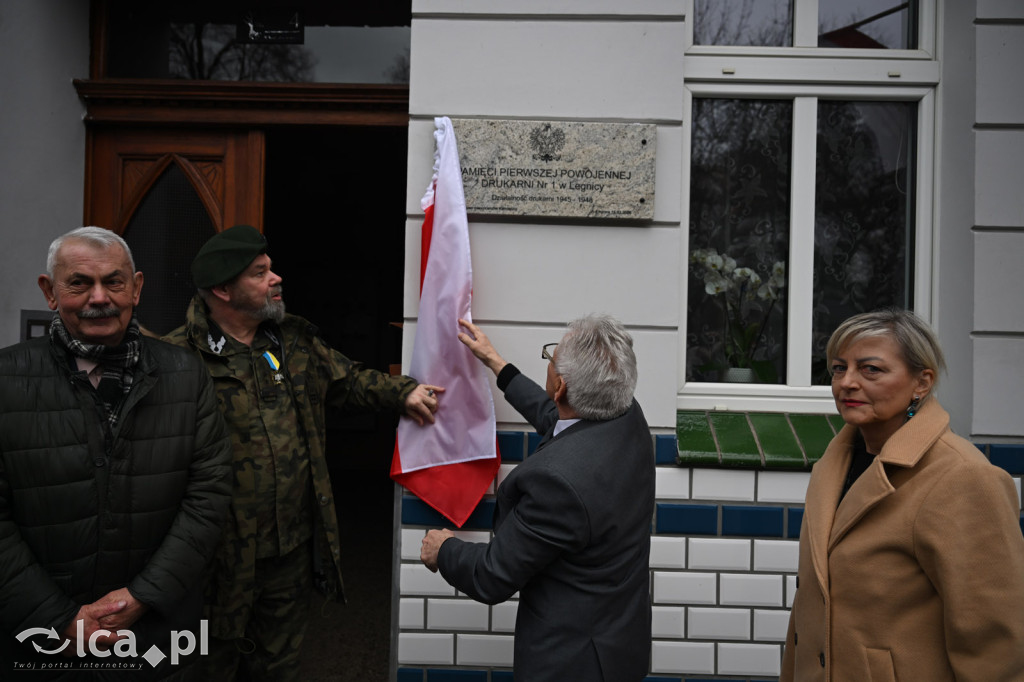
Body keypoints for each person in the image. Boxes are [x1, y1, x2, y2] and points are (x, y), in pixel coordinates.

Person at [163, 224, 442, 680]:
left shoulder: (291, 341)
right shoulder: (176, 357)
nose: (276, 278)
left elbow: (348, 381)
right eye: (259, 273)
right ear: (223, 290)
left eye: (270, 268)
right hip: (215, 558)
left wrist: (402, 392)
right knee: (207, 665)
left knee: (278, 665)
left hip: (288, 549)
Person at [0, 227, 232, 679]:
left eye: (114, 282)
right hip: (38, 637)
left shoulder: (186, 375)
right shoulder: (6, 379)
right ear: (49, 292)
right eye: (79, 283)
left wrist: (141, 596)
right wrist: (58, 618)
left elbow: (209, 495)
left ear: (136, 288)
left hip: (156, 633)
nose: (100, 297)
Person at [781, 308, 1024, 681]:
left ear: (921, 383)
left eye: (871, 369)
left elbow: (995, 643)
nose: (847, 383)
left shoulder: (964, 477)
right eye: (839, 368)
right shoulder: (835, 464)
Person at [420, 315, 655, 682]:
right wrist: (497, 364)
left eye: (551, 358)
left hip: (572, 663)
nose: (549, 361)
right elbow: (556, 420)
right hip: (620, 644)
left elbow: (493, 574)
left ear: (560, 386)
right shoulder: (627, 415)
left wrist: (444, 549)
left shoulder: (559, 485)